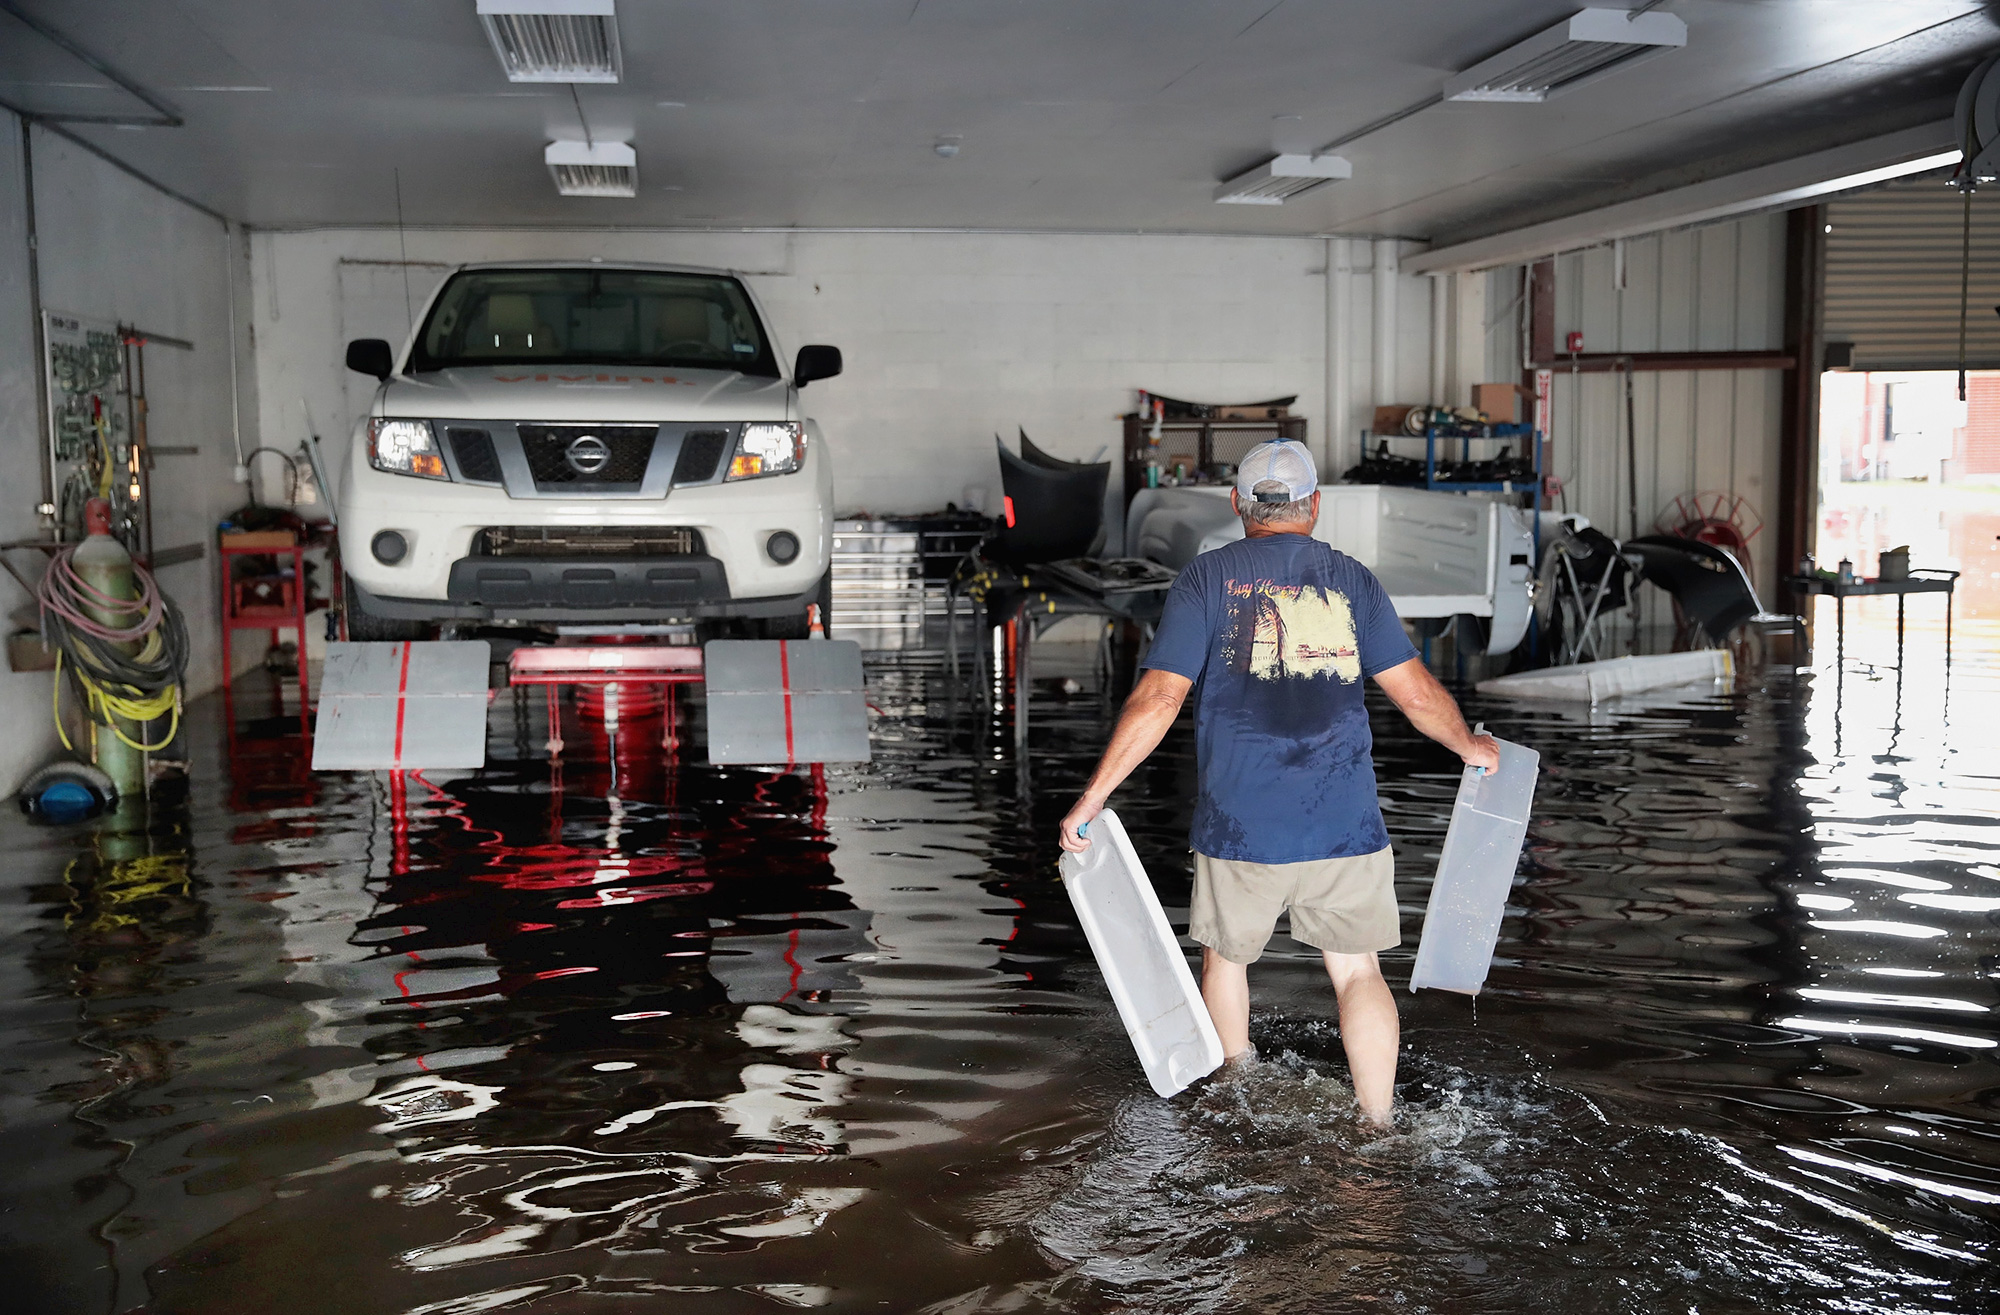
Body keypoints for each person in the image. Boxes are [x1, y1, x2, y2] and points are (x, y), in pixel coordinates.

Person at [1058, 439, 1499, 1127]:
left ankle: (1238, 1108)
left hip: (1240, 829)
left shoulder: (1205, 580)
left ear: (1238, 505)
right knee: (1357, 972)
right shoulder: (1353, 580)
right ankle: (1378, 1126)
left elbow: (1158, 700)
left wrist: (1094, 796)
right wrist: (1471, 746)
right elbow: (1414, 694)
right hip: (1343, 824)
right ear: (1314, 505)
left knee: (1226, 964)